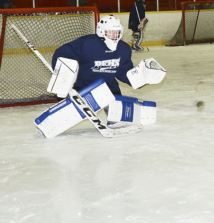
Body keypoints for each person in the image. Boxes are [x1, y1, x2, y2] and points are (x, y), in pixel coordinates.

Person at [36, 15, 166, 137]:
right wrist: (64, 77)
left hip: (108, 86)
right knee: (69, 113)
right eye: (110, 32)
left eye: (117, 32)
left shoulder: (123, 49)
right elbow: (61, 54)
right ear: (101, 31)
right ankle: (49, 124)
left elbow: (123, 71)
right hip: (82, 86)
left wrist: (140, 78)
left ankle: (114, 120)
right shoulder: (87, 44)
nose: (114, 35)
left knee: (119, 113)